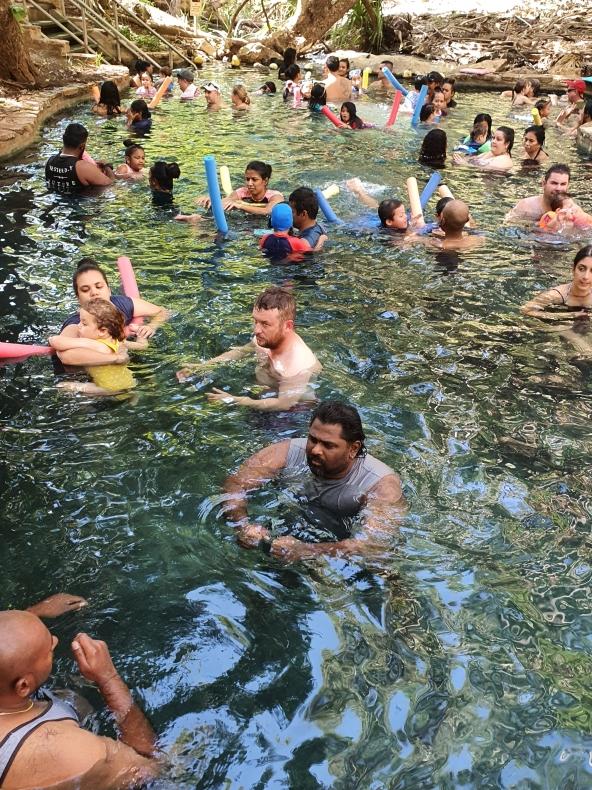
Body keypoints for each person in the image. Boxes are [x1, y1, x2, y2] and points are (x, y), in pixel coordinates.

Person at [222, 400, 405, 561]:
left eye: (328, 445)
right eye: (312, 439)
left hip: (338, 552)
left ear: (353, 448)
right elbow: (237, 483)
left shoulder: (380, 484)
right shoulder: (287, 452)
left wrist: (307, 551)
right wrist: (242, 524)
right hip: (291, 523)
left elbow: (373, 545)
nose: (315, 450)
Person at [0, 609, 158, 788]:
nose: (55, 641)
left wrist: (36, 611)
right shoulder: (63, 749)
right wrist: (108, 677)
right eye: (48, 649)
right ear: (23, 686)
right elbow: (150, 767)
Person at [177, 286, 321, 411]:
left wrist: (235, 400)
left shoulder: (297, 365)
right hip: (262, 394)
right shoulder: (266, 338)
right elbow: (241, 351)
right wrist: (202, 366)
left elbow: (283, 404)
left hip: (291, 412)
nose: (256, 330)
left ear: (287, 326)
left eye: (265, 324)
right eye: (255, 321)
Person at [58, 259, 168, 346]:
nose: (94, 293)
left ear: (109, 289)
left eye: (99, 286)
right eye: (85, 290)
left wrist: (151, 327)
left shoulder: (122, 305)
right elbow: (61, 351)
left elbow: (162, 312)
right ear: (78, 298)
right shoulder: (76, 325)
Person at [50, 298, 143, 395]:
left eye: (84, 323)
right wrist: (140, 334)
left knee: (63, 386)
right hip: (129, 383)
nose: (78, 326)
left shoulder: (95, 345)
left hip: (110, 389)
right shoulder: (115, 340)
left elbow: (55, 342)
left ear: (102, 331)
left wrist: (52, 338)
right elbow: (140, 346)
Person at [521, 246, 592, 358]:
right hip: (558, 331)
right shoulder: (557, 295)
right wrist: (565, 317)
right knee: (587, 353)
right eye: (582, 269)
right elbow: (526, 310)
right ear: (573, 269)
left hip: (582, 330)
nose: (586, 277)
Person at [505, 164, 590, 223]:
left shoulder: (573, 210)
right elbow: (508, 227)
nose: (558, 188)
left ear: (568, 186)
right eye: (554, 183)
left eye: (563, 184)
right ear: (543, 184)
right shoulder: (526, 206)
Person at [196, 160, 284, 217]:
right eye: (247, 179)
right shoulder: (242, 192)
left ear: (265, 181)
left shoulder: (275, 196)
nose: (249, 183)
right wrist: (212, 200)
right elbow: (227, 201)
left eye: (254, 180)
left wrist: (240, 205)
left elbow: (267, 211)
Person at [45, 123, 114, 193]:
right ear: (82, 146)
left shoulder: (49, 162)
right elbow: (111, 184)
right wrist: (107, 166)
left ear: (63, 139)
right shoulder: (83, 167)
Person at [410, 199, 484, 251]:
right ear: (467, 220)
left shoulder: (437, 243)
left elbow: (409, 239)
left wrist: (411, 226)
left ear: (442, 221)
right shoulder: (477, 240)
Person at [346, 178, 414, 232]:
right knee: (380, 209)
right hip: (367, 222)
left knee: (377, 207)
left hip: (379, 218)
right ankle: (359, 191)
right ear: (389, 222)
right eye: (401, 215)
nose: (406, 217)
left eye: (404, 213)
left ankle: (359, 191)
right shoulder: (387, 234)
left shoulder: (399, 220)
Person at [289, 187, 328, 251]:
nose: (288, 214)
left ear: (303, 214)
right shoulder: (318, 228)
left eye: (292, 211)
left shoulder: (308, 239)